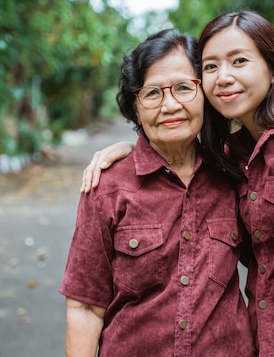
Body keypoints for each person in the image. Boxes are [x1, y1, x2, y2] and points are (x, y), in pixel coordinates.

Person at [81, 10, 274, 357]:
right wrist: (127, 151)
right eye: (210, 67)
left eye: (239, 61)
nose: (223, 77)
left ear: (272, 69)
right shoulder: (229, 159)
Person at [59, 28, 255, 357]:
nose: (170, 105)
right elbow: (84, 308)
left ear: (205, 94)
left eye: (183, 88)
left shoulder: (235, 171)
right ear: (135, 107)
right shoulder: (107, 186)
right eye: (152, 93)